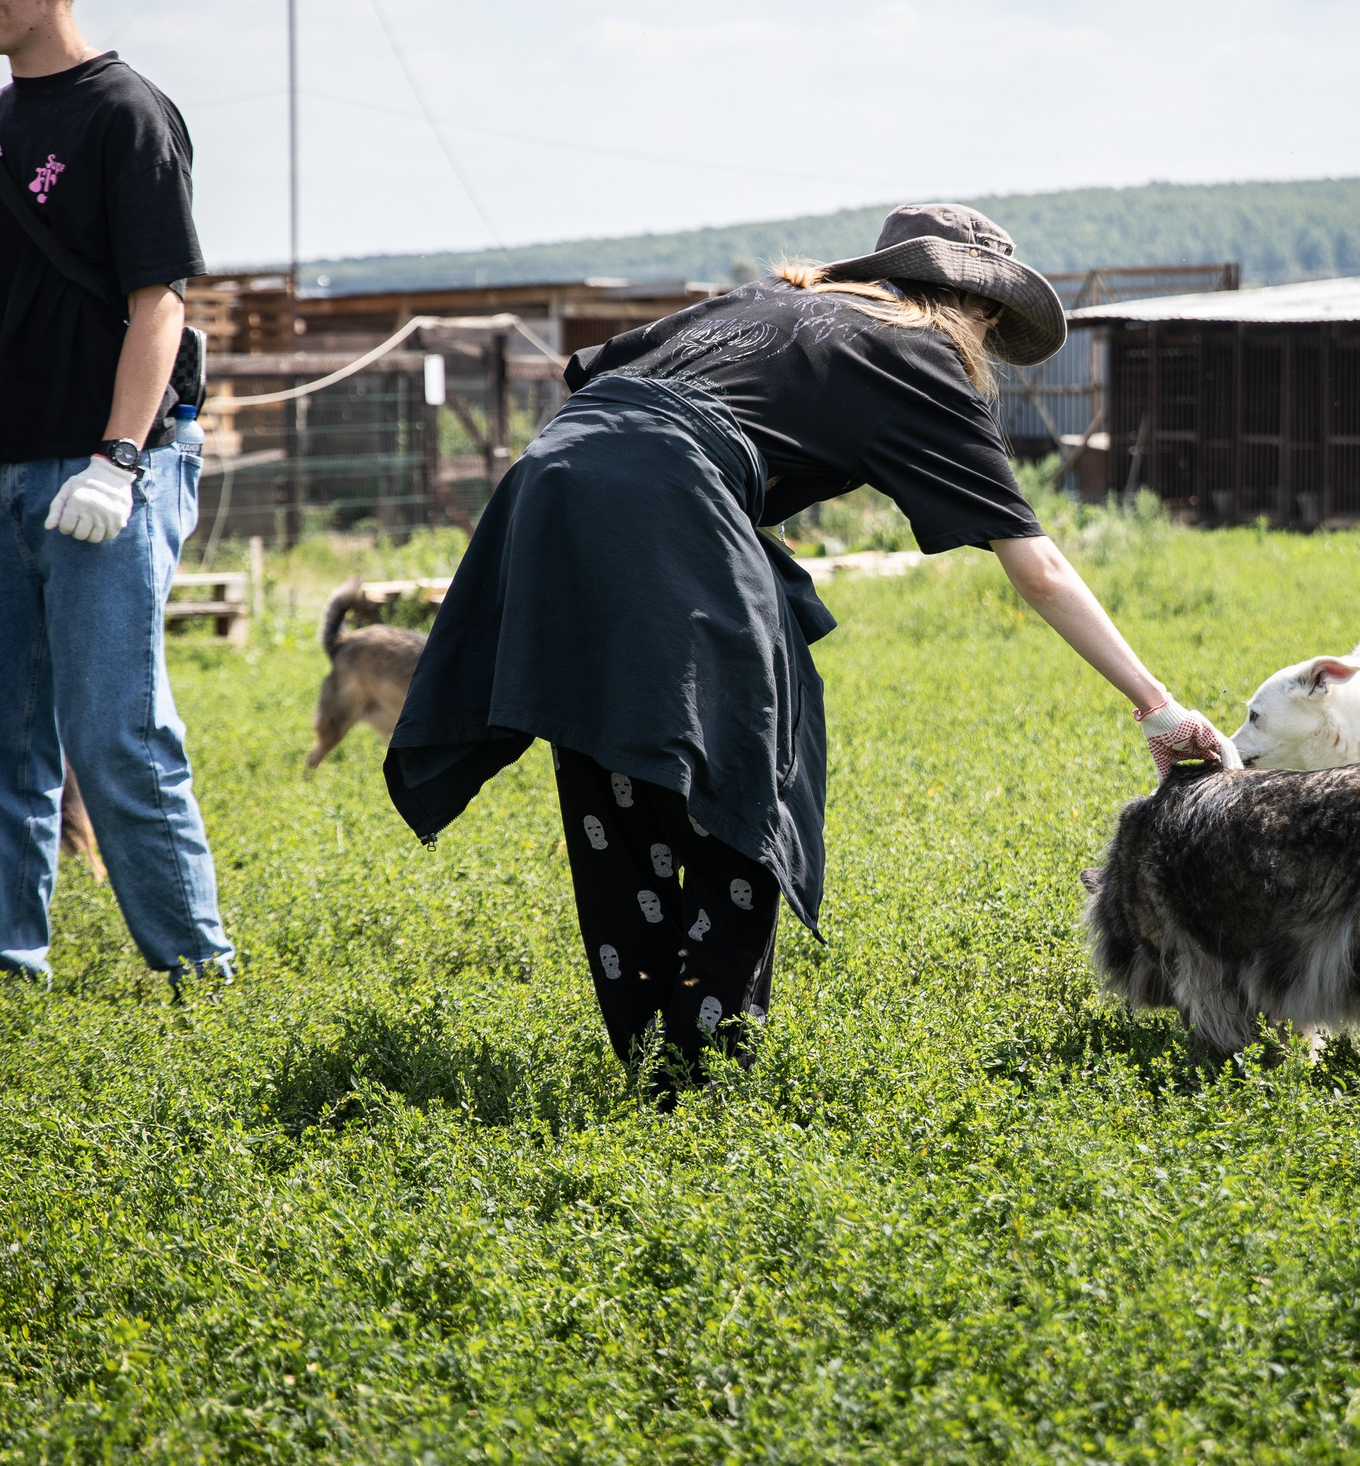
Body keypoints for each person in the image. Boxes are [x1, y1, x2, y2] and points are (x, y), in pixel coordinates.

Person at [384, 204, 1233, 1096]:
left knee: (618, 746)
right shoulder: (918, 353)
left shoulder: (770, 300)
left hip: (552, 482)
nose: (985, 339)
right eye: (989, 320)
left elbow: (599, 377)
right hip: (661, 492)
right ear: (969, 303)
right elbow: (1042, 567)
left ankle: (652, 1061)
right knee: (753, 768)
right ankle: (702, 1080)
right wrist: (1157, 703)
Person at [0, 0, 231, 985]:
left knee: (115, 734)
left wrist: (121, 456)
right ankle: (14, 966)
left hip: (104, 470)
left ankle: (198, 973)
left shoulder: (126, 113)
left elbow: (161, 303)